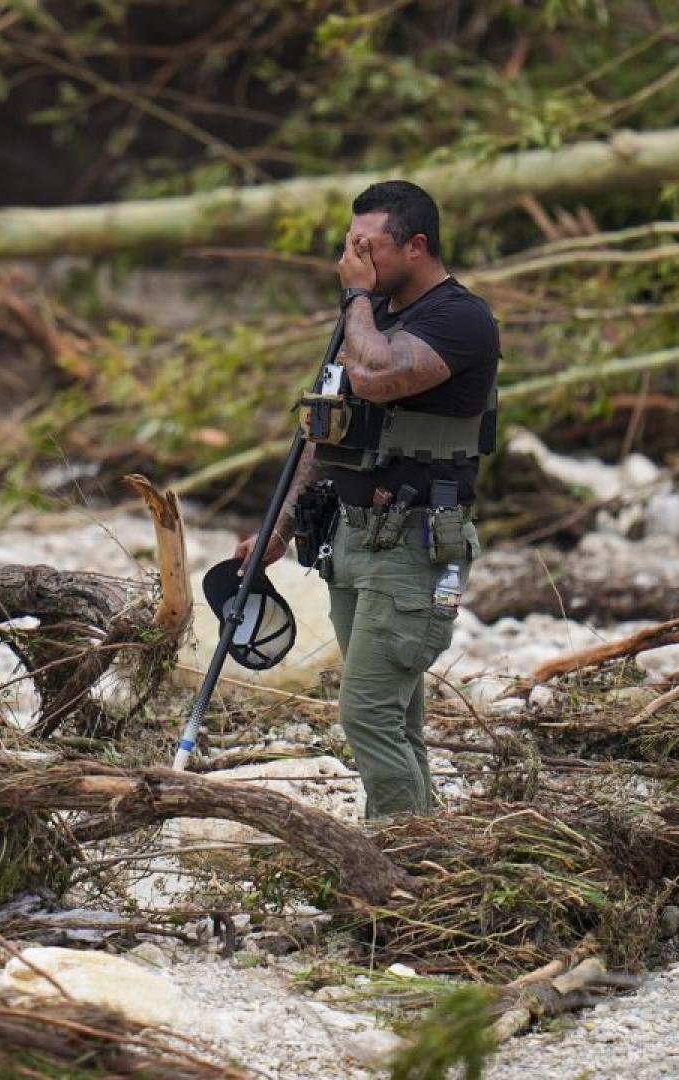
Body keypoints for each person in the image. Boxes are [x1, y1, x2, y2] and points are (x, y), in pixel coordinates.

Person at [234, 180, 501, 818]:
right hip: (353, 539)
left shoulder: (461, 318)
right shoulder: (371, 318)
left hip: (414, 545)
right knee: (396, 715)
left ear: (415, 246)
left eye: (366, 247)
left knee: (368, 712)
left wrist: (355, 297)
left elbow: (379, 378)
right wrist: (283, 523)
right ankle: (428, 853)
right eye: (348, 246)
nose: (352, 260)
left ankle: (396, 857)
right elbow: (323, 432)